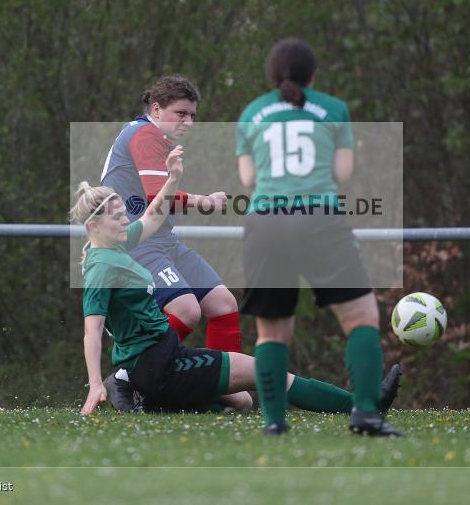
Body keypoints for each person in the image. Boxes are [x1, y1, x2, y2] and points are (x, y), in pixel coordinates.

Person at [73, 146, 399, 419]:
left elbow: (153, 216)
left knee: (242, 401)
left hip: (162, 359)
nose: (125, 220)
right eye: (117, 216)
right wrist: (94, 384)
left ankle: (160, 405)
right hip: (157, 366)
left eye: (123, 213)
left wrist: (172, 178)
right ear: (94, 225)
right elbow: (93, 330)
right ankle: (366, 404)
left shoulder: (118, 244)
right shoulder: (101, 268)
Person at [235, 38, 402, 436]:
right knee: (360, 317)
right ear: (312, 75)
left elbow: (248, 179)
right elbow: (342, 174)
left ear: (273, 76)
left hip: (264, 224)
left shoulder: (252, 113)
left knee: (271, 332)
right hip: (317, 219)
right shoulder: (333, 109)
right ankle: (365, 413)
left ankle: (275, 423)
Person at [99, 75, 241, 410]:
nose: (189, 122)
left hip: (162, 241)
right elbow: (154, 197)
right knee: (187, 309)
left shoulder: (156, 137)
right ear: (156, 108)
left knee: (223, 305)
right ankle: (127, 377)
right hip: (134, 243)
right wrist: (205, 201)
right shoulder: (146, 133)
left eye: (193, 115)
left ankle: (213, 386)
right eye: (181, 113)